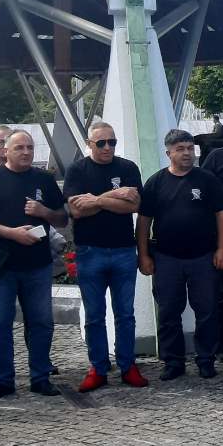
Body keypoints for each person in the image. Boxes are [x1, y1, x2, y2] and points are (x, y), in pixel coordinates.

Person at [0, 130, 66, 400]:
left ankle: (40, 377)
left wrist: (44, 212)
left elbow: (62, 219)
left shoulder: (44, 179)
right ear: (6, 151)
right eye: (19, 147)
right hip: (3, 266)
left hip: (38, 265)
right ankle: (3, 380)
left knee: (42, 322)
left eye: (30, 147)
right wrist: (11, 233)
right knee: (0, 324)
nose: (26, 152)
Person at [139, 129, 223, 381]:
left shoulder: (207, 180)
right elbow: (144, 221)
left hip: (203, 257)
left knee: (207, 311)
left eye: (190, 148)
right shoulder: (156, 182)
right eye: (180, 149)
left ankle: (206, 359)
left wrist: (222, 248)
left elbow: (222, 215)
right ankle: (173, 361)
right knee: (169, 311)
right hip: (167, 257)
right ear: (168, 153)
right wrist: (143, 254)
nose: (187, 153)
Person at [61, 123, 146, 393]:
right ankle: (98, 368)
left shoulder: (128, 168)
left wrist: (95, 200)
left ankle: (127, 365)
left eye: (112, 142)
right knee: (94, 315)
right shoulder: (77, 170)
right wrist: (114, 195)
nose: (107, 147)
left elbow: (134, 205)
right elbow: (77, 211)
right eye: (101, 143)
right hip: (90, 251)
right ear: (89, 144)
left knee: (125, 314)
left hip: (123, 250)